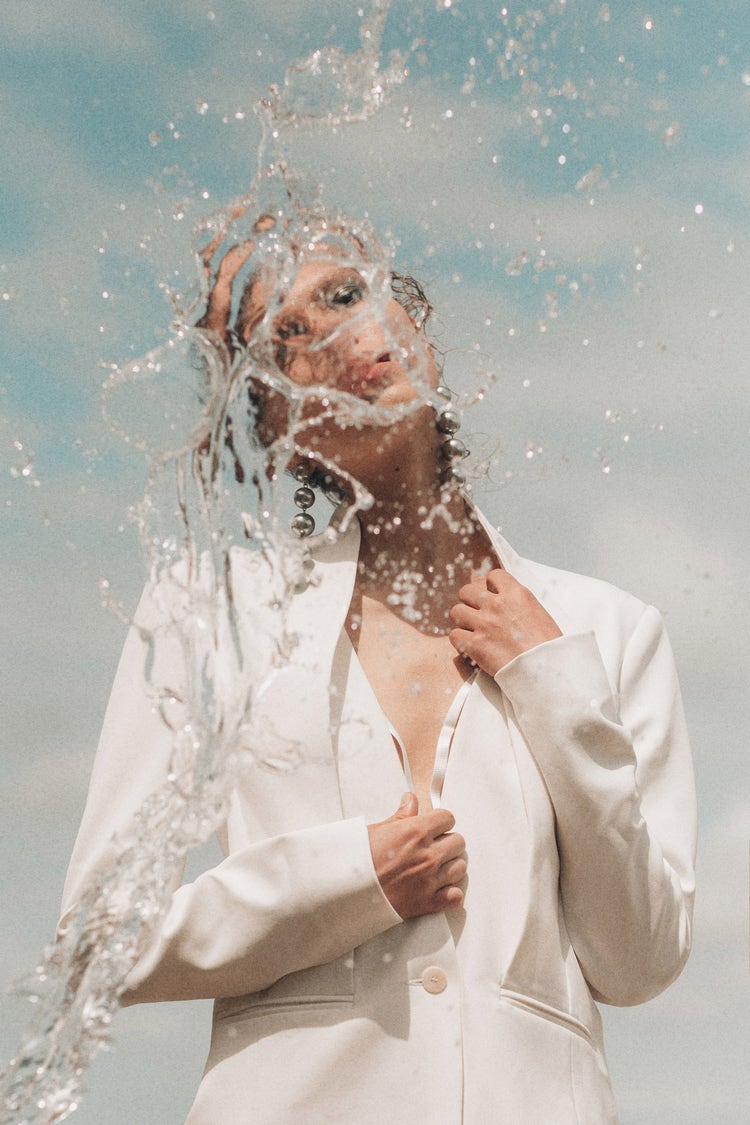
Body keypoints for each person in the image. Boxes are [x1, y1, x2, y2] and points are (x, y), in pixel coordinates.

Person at [59, 212, 697, 1123]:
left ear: (414, 326)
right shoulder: (214, 612)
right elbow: (99, 940)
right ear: (271, 413)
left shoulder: (607, 630)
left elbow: (638, 958)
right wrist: (347, 879)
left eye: (346, 294)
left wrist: (555, 687)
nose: (336, 337)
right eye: (286, 337)